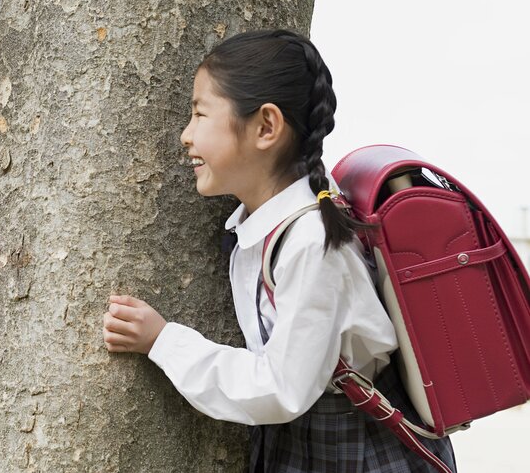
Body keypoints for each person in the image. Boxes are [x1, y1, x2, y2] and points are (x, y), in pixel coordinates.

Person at [102, 30, 456, 472]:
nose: (185, 136)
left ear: (266, 127)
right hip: (301, 439)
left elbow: (282, 387)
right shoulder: (265, 227)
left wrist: (164, 341)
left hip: (348, 446)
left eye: (199, 115)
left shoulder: (312, 243)